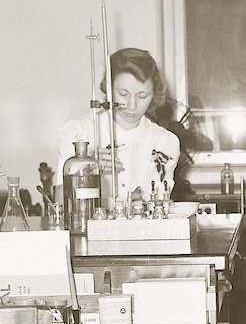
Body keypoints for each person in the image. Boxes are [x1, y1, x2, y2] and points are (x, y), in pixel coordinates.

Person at [56, 47, 181, 205]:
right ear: (108, 90)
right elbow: (60, 202)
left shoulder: (165, 141)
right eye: (123, 94)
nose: (132, 105)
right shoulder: (79, 131)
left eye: (142, 96)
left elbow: (162, 203)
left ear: (155, 93)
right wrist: (87, 171)